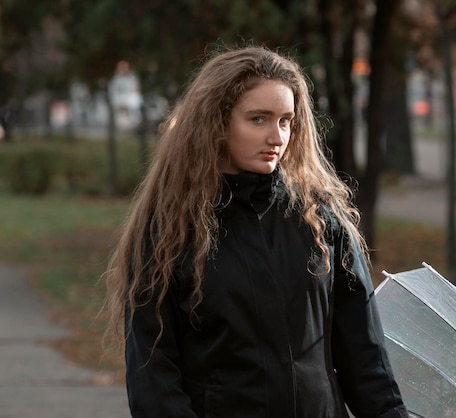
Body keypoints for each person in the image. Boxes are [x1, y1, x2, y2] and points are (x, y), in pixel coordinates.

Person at [104, 45, 408, 418]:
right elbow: (154, 377)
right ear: (217, 122)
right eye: (259, 119)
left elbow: (365, 356)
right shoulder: (169, 232)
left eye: (285, 120)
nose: (277, 137)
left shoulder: (321, 221)